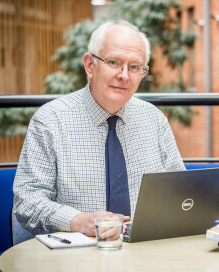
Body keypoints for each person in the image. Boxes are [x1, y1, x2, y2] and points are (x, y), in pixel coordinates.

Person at [13, 20, 185, 237]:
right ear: (89, 65)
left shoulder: (155, 120)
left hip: (147, 252)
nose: (124, 75)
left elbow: (181, 192)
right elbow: (27, 201)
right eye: (114, 62)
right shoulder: (50, 121)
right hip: (77, 253)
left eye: (134, 67)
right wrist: (77, 221)